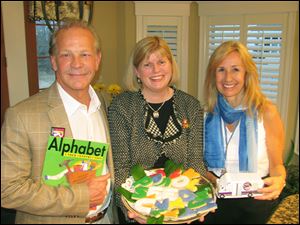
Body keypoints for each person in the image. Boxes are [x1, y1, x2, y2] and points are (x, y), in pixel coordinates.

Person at [1, 19, 117, 224]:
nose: (77, 64)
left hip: (106, 218)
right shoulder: (21, 115)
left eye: (85, 54)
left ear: (97, 60)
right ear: (53, 60)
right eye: (66, 55)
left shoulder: (104, 104)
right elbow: (8, 189)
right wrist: (81, 198)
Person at [108, 36, 206, 223]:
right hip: (139, 208)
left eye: (161, 62)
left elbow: (195, 162)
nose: (156, 70)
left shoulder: (190, 105)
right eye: (147, 64)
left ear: (171, 65)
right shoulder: (121, 107)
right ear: (137, 71)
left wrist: (200, 200)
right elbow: (119, 170)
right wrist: (134, 211)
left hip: (182, 207)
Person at [202, 41, 286, 224]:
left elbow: (277, 165)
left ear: (247, 73)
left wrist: (280, 180)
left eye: (235, 69)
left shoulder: (267, 112)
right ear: (213, 75)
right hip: (215, 204)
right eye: (221, 69)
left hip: (256, 203)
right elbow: (203, 168)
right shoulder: (206, 115)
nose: (228, 77)